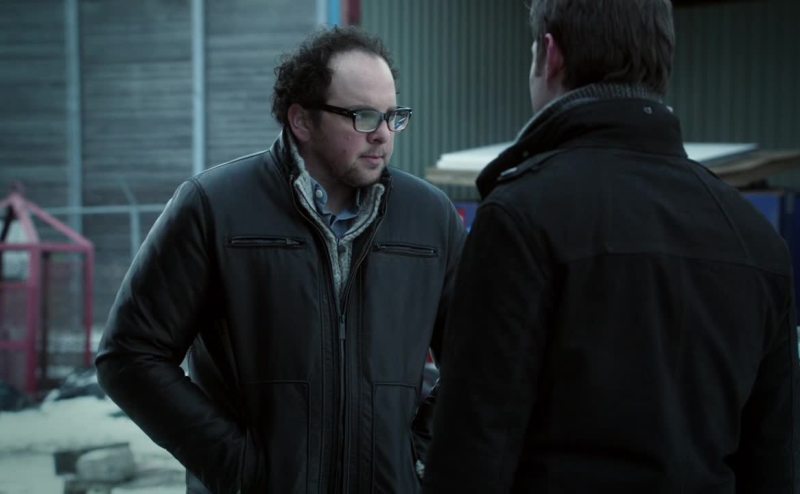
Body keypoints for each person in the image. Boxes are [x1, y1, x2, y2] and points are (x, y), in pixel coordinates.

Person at [423, 0, 799, 492]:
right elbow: (773, 464)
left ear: (550, 55)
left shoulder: (520, 217)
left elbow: (470, 454)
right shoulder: (756, 239)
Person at [95, 26, 465, 493]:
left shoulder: (430, 219)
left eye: (393, 117)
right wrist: (238, 467)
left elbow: (477, 360)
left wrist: (419, 455)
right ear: (302, 121)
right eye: (364, 117)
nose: (383, 135)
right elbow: (129, 355)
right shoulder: (215, 207)